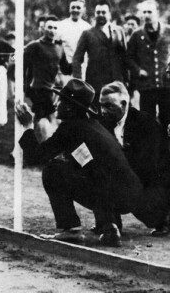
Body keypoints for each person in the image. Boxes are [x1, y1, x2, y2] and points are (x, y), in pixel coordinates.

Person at [16, 79, 143, 247]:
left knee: (53, 170)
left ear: (69, 107)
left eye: (60, 100)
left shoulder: (70, 128)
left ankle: (71, 229)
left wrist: (27, 125)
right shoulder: (94, 125)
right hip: (130, 195)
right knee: (87, 166)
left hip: (116, 195)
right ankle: (109, 225)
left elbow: (35, 156)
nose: (56, 104)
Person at [99, 81, 170, 236]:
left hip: (153, 180)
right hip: (127, 176)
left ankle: (163, 220)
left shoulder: (145, 123)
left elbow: (150, 164)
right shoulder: (103, 123)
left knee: (148, 209)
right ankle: (109, 223)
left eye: (109, 106)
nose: (103, 111)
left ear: (124, 104)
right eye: (101, 105)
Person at [24, 15, 72, 142]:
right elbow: (21, 63)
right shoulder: (34, 46)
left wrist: (79, 60)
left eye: (55, 28)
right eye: (49, 27)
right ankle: (51, 146)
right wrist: (25, 85)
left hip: (51, 89)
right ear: (43, 28)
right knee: (52, 118)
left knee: (39, 118)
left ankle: (32, 144)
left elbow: (66, 68)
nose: (52, 30)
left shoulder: (59, 48)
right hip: (38, 88)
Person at [72, 0, 127, 104]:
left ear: (109, 14)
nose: (101, 15)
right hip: (96, 84)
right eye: (98, 12)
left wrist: (126, 79)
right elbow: (76, 59)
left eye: (104, 12)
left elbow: (124, 56)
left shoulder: (119, 31)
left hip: (116, 82)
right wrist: (78, 81)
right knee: (97, 116)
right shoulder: (87, 34)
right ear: (94, 14)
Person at [126, 0, 170, 129]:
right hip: (146, 85)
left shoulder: (168, 31)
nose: (146, 15)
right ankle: (150, 148)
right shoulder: (136, 34)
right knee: (147, 120)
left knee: (167, 119)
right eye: (144, 12)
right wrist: (138, 70)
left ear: (157, 13)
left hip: (166, 85)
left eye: (149, 12)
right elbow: (128, 57)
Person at [58, 0, 91, 71]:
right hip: (64, 70)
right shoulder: (60, 26)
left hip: (82, 70)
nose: (75, 10)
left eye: (78, 8)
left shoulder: (88, 28)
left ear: (83, 10)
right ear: (69, 9)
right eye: (73, 7)